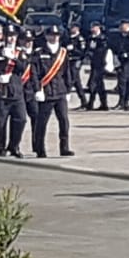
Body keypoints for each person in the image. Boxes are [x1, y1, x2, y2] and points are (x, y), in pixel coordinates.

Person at [24, 27, 75, 159]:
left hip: (60, 91)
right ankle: (40, 149)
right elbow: (34, 73)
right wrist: (37, 89)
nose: (54, 37)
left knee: (64, 121)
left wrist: (68, 89)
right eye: (52, 35)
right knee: (42, 123)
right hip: (46, 92)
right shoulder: (39, 52)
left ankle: (64, 147)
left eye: (57, 35)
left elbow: (67, 72)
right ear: (46, 36)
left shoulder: (63, 52)